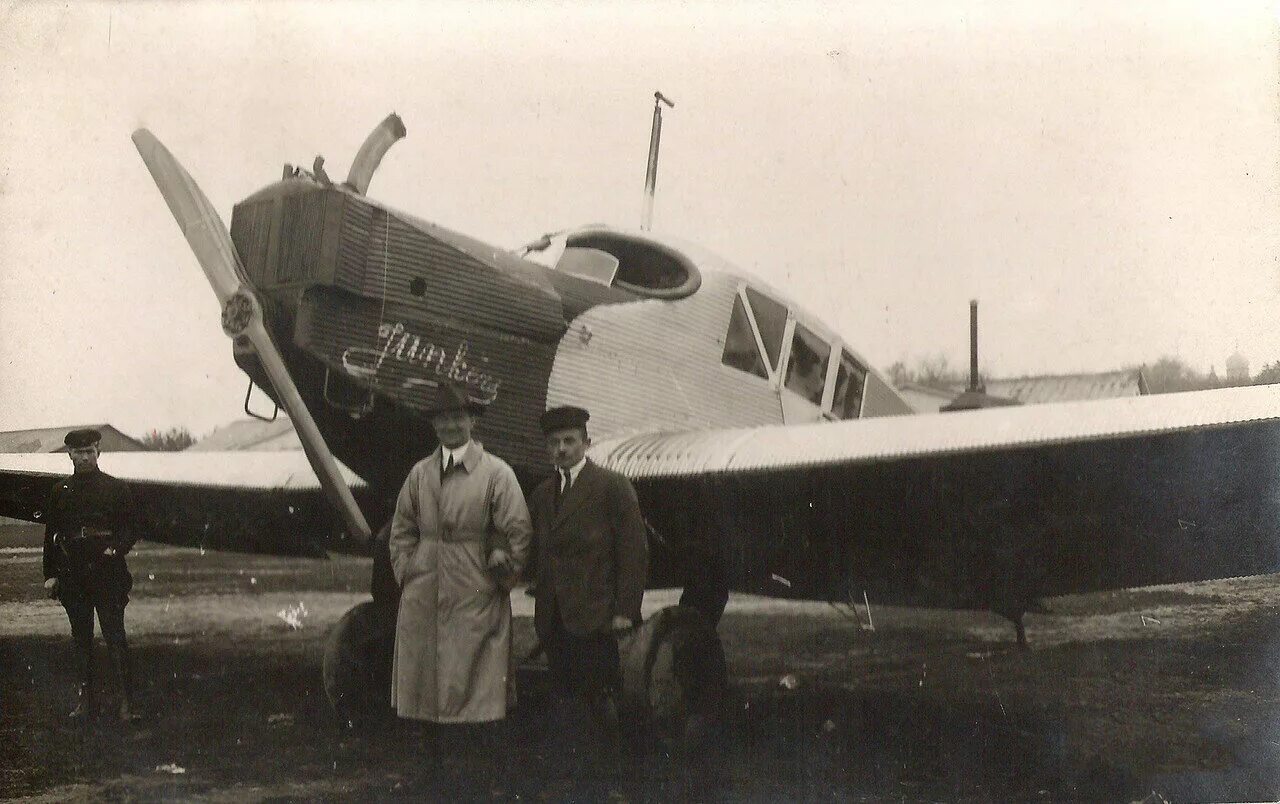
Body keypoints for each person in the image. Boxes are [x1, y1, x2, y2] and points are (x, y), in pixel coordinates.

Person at [387, 381, 532, 725]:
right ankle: (433, 766)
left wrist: (501, 578)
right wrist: (408, 572)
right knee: (425, 686)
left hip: (475, 591)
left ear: (472, 422)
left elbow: (519, 530)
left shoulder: (497, 473)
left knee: (473, 684)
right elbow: (402, 529)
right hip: (423, 592)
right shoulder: (419, 474)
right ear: (434, 425)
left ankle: (470, 769)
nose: (450, 426)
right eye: (443, 420)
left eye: (458, 418)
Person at [530, 406, 648, 762]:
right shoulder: (541, 494)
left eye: (569, 440)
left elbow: (634, 551)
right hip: (554, 617)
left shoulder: (612, 487)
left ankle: (611, 771)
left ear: (586, 442)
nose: (562, 449)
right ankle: (574, 769)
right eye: (554, 443)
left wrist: (626, 611)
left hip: (595, 616)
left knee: (601, 698)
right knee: (566, 697)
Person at [42, 428, 139, 722]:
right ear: (69, 454)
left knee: (114, 636)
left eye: (90, 452)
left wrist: (116, 549)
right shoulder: (60, 491)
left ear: (99, 452)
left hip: (107, 572)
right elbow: (51, 535)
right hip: (73, 575)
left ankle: (125, 703)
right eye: (79, 453)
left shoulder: (116, 488)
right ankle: (86, 702)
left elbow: (131, 529)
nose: (85, 457)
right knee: (81, 639)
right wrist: (50, 574)